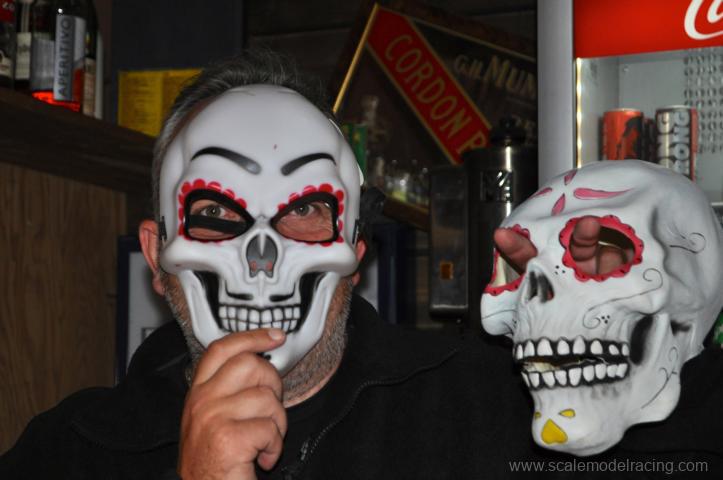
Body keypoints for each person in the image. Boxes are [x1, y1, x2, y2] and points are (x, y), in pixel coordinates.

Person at [1, 50, 721, 480]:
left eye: (304, 210)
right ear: (157, 256)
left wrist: (661, 278)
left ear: (356, 252)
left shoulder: (498, 408)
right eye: (216, 211)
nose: (263, 257)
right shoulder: (70, 452)